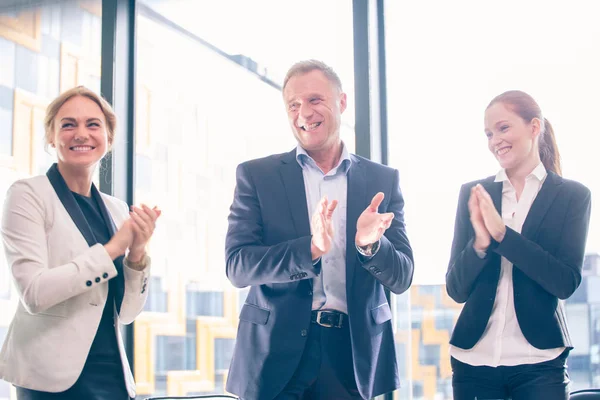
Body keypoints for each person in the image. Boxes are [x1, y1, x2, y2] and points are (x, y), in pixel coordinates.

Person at [224, 60, 414, 400]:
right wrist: (309, 249)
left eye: (314, 100)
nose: (303, 113)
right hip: (273, 357)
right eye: (293, 105)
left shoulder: (382, 181)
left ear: (341, 102)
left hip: (352, 357)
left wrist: (370, 245)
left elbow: (402, 277)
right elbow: (238, 266)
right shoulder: (257, 176)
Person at [0, 86, 161, 400]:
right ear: (51, 136)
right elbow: (34, 293)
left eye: (93, 124)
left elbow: (126, 313)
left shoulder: (116, 209)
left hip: (113, 373)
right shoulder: (27, 194)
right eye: (68, 124)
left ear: (109, 138)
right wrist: (114, 248)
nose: (81, 133)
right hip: (48, 378)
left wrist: (137, 253)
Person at [446, 90, 591, 400]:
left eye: (503, 128)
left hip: (539, 363)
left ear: (534, 127)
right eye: (488, 133)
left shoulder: (573, 196)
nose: (494, 140)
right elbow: (456, 289)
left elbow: (565, 282)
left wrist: (503, 236)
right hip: (473, 362)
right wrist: (481, 246)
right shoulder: (474, 192)